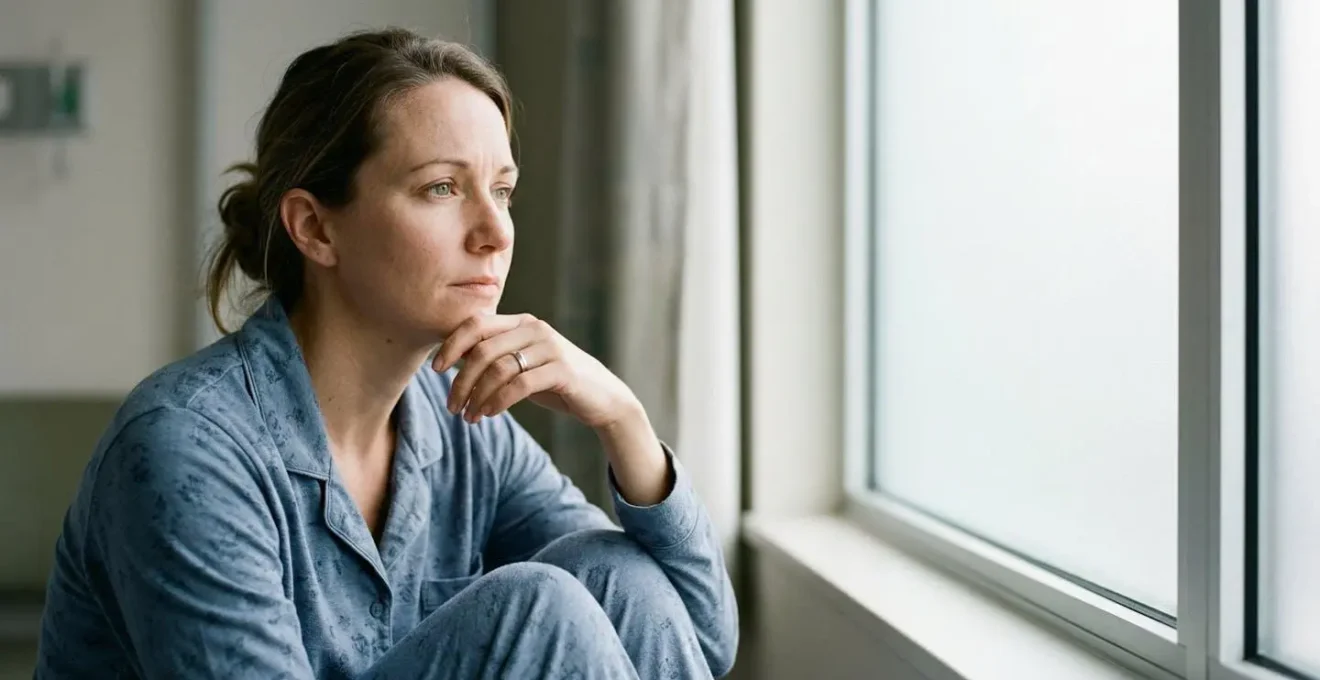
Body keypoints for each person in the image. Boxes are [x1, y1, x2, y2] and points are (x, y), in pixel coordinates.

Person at [34, 28, 737, 680]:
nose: (496, 231)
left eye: (502, 191)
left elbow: (699, 643)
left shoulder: (462, 423)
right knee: (536, 609)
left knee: (616, 570)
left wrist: (623, 419)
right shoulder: (186, 446)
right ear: (316, 228)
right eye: (441, 188)